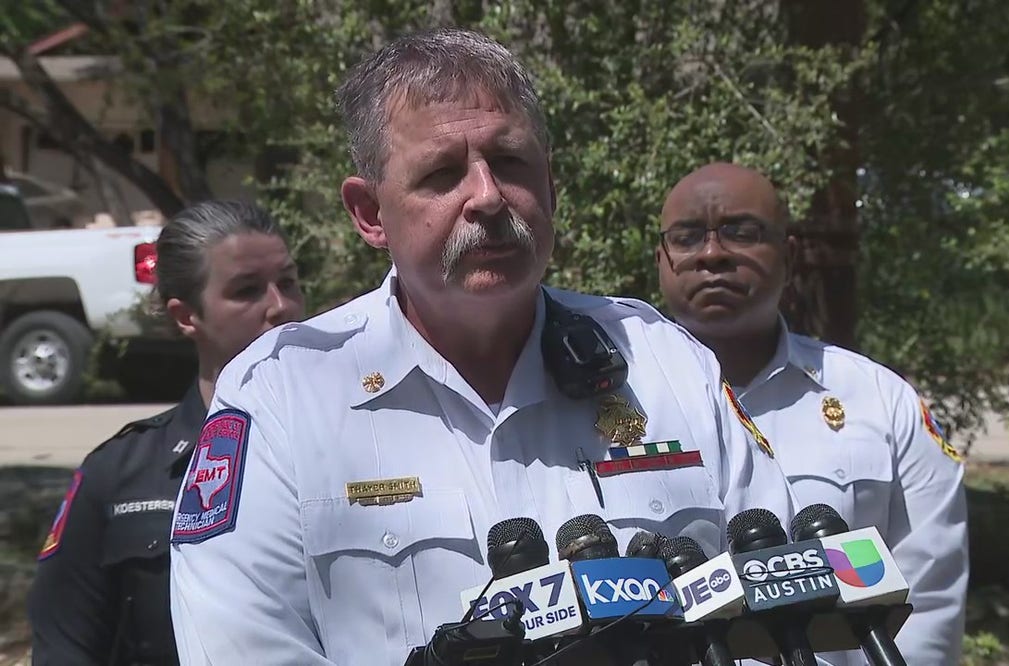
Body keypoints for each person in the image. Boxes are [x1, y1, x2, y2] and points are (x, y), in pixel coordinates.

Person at [168, 28, 795, 664]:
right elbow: (242, 646)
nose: (488, 197)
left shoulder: (666, 364)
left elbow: (788, 614)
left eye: (510, 162)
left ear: (550, 186)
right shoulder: (281, 394)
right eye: (442, 174)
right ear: (370, 214)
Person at [655, 162, 969, 666]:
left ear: (789, 256)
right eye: (687, 238)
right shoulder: (604, 410)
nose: (712, 254)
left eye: (741, 232)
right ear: (661, 260)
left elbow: (927, 601)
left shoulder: (880, 400)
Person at [27, 200, 305, 665]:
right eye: (247, 291)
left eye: (289, 283)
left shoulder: (360, 443)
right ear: (186, 316)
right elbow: (64, 647)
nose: (281, 307)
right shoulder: (120, 474)